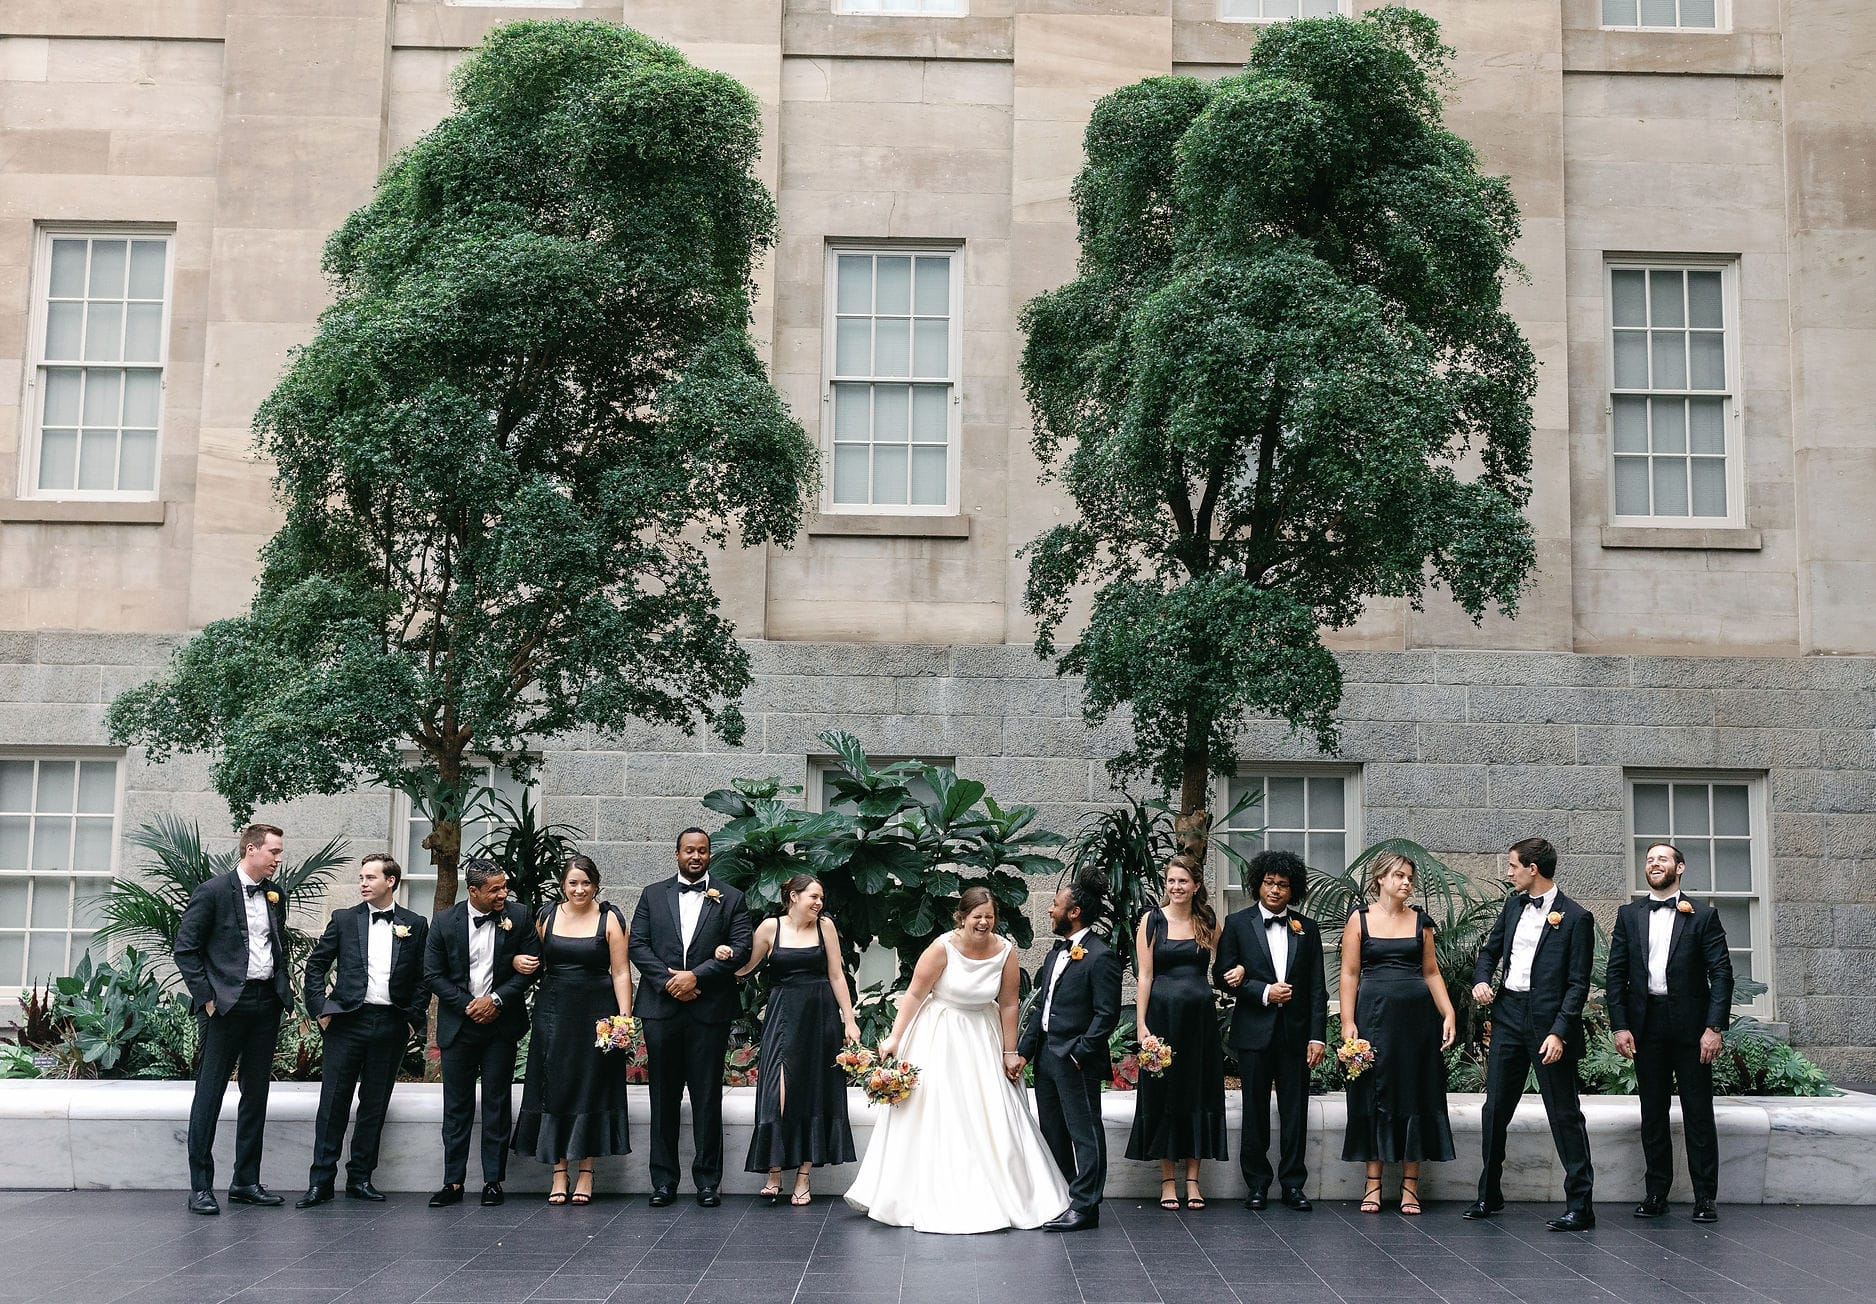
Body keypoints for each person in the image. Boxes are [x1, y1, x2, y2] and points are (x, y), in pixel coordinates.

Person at [846, 886, 1072, 1233]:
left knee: (993, 1111)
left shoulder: (1005, 951)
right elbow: (916, 993)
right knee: (939, 1111)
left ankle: (1007, 1191)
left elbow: (1010, 1003)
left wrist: (1010, 1051)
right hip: (940, 1033)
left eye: (989, 917)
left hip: (983, 1033)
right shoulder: (942, 947)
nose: (983, 923)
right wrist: (895, 1036)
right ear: (962, 917)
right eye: (977, 917)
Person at [1465, 836, 1597, 1231]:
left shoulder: (1576, 917)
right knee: (1495, 1109)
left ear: (1532, 869)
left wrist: (1559, 1032)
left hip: (1549, 1024)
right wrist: (1482, 981)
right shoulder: (1513, 905)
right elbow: (1489, 952)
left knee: (1564, 1113)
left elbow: (1578, 983)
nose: (1508, 873)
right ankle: (1489, 1193)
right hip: (1508, 1014)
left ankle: (1580, 1204)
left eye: (1512, 866)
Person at [1606, 840, 1733, 1224]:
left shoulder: (1703, 916)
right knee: (1653, 1113)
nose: (1653, 863)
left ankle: (1705, 1197)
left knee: (1698, 1112)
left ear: (1680, 868)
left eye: (1662, 858)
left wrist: (1713, 1028)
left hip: (1693, 1028)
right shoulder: (1629, 915)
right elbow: (1616, 974)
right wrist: (1621, 1024)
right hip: (1646, 1025)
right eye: (1649, 859)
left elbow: (1721, 973)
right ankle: (1656, 1192)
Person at [628, 827, 753, 1208]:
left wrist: (696, 976)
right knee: (662, 1097)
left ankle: (708, 1182)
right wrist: (671, 983)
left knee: (706, 1097)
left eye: (701, 851)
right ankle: (663, 1181)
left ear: (709, 855)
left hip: (707, 1011)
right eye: (688, 851)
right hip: (661, 1010)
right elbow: (638, 944)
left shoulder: (731, 897)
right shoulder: (653, 894)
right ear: (677, 853)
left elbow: (742, 946)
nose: (695, 857)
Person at [296, 853, 430, 1208]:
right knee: (333, 1104)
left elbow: (422, 977)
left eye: (371, 877)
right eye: (361, 878)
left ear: (391, 881)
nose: (363, 883)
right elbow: (316, 966)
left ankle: (360, 1179)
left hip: (390, 1025)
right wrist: (321, 1008)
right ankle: (320, 1182)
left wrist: (411, 1020)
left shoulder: (415, 923)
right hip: (347, 1022)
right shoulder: (344, 919)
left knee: (374, 1105)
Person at [175, 823, 292, 1215]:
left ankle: (245, 1181)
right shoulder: (211, 892)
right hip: (224, 1006)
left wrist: (282, 987)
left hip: (265, 1003)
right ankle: (201, 1187)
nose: (278, 859)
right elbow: (186, 950)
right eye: (273, 851)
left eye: (279, 852)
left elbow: (276, 945)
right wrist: (207, 999)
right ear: (251, 850)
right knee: (209, 1095)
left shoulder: (276, 896)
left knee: (256, 1094)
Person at [727, 873, 860, 1205]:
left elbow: (836, 974)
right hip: (783, 1013)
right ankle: (774, 1172)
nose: (819, 902)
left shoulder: (824, 927)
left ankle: (803, 1176)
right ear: (793, 897)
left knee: (814, 1090)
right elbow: (745, 968)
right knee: (779, 1090)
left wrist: (850, 1019)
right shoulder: (770, 927)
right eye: (813, 896)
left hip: (820, 1014)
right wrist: (725, 955)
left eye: (821, 897)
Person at [1338, 851, 1456, 1215]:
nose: (1406, 883)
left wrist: (1448, 1011)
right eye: (1399, 876)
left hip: (1418, 1022)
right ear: (1380, 880)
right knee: (1374, 1093)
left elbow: (1432, 971)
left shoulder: (1422, 921)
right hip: (1373, 1017)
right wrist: (1347, 1022)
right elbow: (1349, 973)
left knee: (1415, 1093)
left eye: (1409, 877)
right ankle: (1372, 1185)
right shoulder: (1359, 920)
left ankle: (1410, 1186)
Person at [512, 855, 634, 1204]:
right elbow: (528, 959)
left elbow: (621, 972)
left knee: (591, 1088)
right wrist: (515, 961)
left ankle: (586, 1173)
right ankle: (559, 1173)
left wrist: (623, 1018)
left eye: (586, 883)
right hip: (553, 1012)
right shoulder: (546, 916)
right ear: (563, 886)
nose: (579, 889)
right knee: (556, 1087)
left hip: (598, 1015)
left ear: (596, 884)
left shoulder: (610, 918)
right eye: (573, 883)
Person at [423, 857, 540, 1208]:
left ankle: (493, 1180)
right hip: (459, 1027)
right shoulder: (444, 921)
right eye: (495, 889)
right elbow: (432, 974)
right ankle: (453, 1182)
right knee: (456, 1108)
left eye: (504, 886)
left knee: (497, 1103)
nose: (504, 893)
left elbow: (533, 964)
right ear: (473, 891)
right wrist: (469, 1005)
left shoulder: (518, 916)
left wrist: (496, 1000)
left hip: (500, 1026)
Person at [1215, 849, 1327, 1212]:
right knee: (1255, 1110)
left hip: (1295, 1035)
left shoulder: (1306, 929)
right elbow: (1222, 975)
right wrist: (1262, 991)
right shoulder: (1236, 923)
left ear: (1292, 890)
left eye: (1282, 885)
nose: (1275, 890)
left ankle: (1293, 1185)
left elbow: (1316, 989)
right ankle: (1257, 1184)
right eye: (1269, 883)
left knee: (1296, 1112)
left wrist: (1317, 1035)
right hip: (1254, 1032)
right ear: (1257, 884)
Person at [1017, 875, 1123, 1233]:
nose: (1049, 908)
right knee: (1053, 1130)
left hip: (1075, 1059)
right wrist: (1025, 1053)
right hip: (1047, 1056)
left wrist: (1080, 1052)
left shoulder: (1101, 956)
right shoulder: (1054, 953)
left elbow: (1106, 1014)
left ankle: (1085, 1206)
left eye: (1056, 905)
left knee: (1084, 1132)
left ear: (1074, 912)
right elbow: (1041, 1008)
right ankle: (1063, 1195)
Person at [1124, 855, 1227, 1210]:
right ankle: (1168, 1181)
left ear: (1196, 885)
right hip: (1162, 1020)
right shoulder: (1151, 920)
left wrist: (1240, 969)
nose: (1176, 887)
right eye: (1171, 881)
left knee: (1196, 1093)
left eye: (1183, 881)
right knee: (1164, 1095)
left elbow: (1224, 964)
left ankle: (1193, 1181)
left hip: (1199, 1023)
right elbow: (1145, 976)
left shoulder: (1209, 920)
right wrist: (1142, 1025)